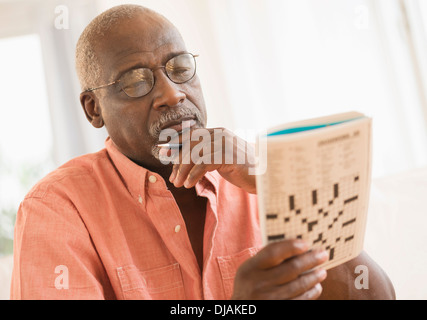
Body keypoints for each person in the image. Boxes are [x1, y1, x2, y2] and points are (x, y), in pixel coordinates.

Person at [10, 4, 395, 300]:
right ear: (94, 109)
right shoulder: (56, 208)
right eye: (136, 81)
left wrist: (274, 182)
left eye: (179, 68)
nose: (172, 93)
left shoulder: (258, 174)